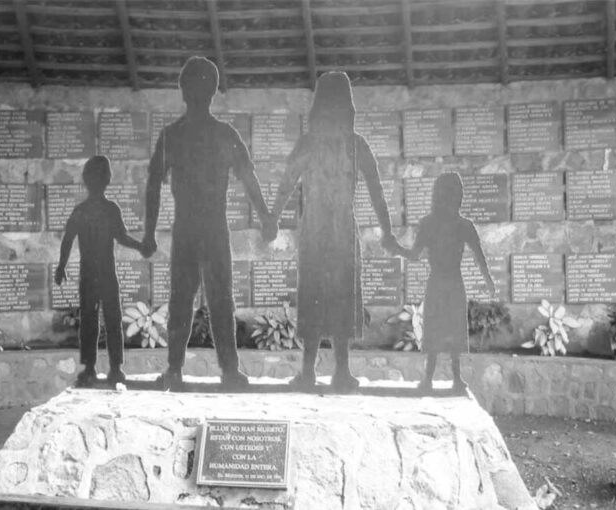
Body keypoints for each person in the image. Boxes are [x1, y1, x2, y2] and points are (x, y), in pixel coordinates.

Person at [265, 72, 404, 392]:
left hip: (317, 230)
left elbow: (287, 183)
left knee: (316, 294)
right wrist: (386, 231)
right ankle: (339, 371)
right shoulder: (355, 144)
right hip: (340, 229)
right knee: (340, 295)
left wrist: (272, 218)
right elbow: (376, 192)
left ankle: (310, 372)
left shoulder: (310, 142)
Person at [141, 57, 274, 390]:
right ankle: (216, 371)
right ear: (212, 91)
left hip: (196, 228)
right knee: (211, 299)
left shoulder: (176, 135)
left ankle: (189, 370)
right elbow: (249, 179)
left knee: (196, 299)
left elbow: (154, 185)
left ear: (183, 90)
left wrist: (149, 232)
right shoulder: (217, 134)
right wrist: (265, 217)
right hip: (205, 228)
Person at [400, 172, 495, 394]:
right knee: (447, 328)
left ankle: (440, 379)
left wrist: (396, 248)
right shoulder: (458, 225)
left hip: (444, 282)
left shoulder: (434, 224)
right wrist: (488, 281)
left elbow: (414, 255)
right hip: (448, 282)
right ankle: (442, 378)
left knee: (444, 328)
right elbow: (479, 257)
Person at [55, 155, 143, 387]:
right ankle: (110, 368)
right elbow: (121, 238)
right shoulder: (107, 209)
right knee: (107, 319)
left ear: (86, 180)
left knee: (94, 320)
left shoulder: (84, 210)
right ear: (107, 180)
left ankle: (97, 368)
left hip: (94, 274)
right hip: (102, 273)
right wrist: (141, 246)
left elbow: (68, 240)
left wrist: (62, 266)